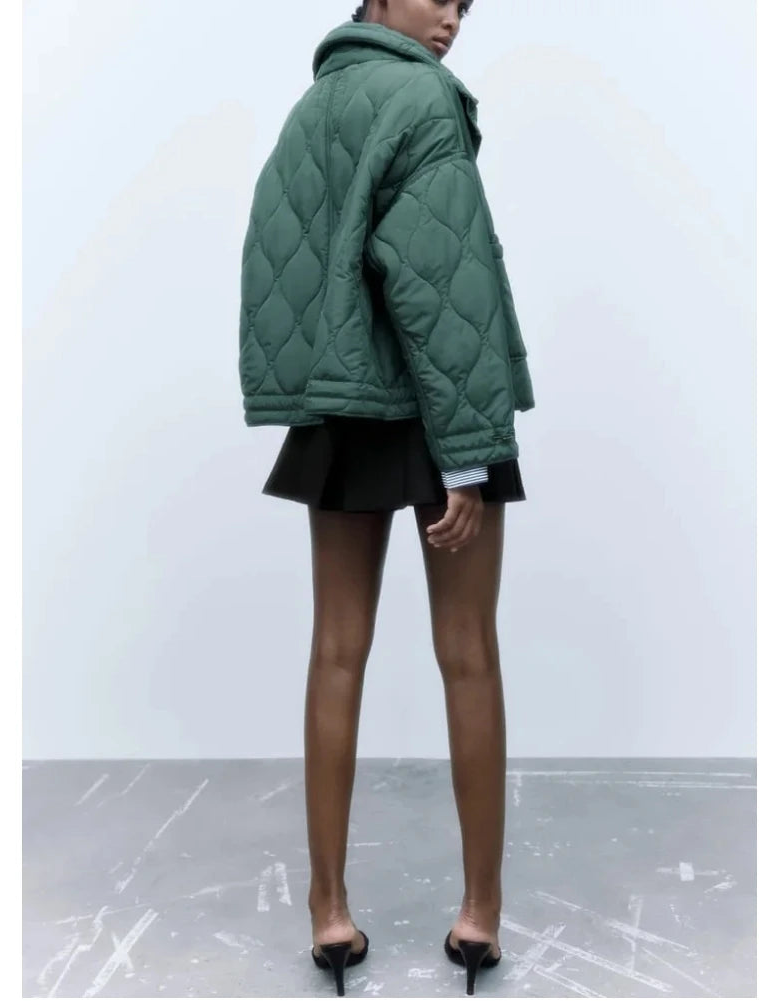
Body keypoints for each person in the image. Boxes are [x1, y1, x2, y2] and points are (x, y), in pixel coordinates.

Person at [238, 1, 535, 995]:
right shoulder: (424, 98)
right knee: (469, 651)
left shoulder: (314, 106)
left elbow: (273, 260)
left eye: (466, 4)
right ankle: (479, 914)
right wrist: (468, 456)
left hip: (341, 409)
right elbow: (444, 279)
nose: (451, 18)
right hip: (437, 408)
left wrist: (302, 384)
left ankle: (327, 912)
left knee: (335, 648)